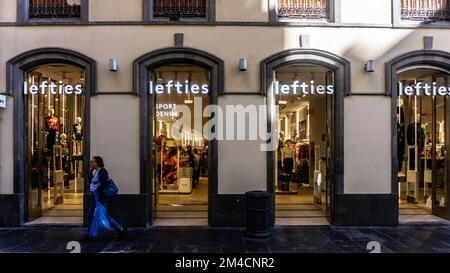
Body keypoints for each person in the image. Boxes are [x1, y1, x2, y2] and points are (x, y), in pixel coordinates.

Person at [86, 156, 126, 240]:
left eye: (93, 162)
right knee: (92, 215)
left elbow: (104, 184)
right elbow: (90, 181)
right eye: (91, 162)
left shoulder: (102, 171)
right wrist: (90, 171)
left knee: (101, 215)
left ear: (97, 163)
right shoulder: (96, 172)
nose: (91, 163)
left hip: (100, 197)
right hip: (95, 196)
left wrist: (97, 191)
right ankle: (90, 234)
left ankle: (120, 228)